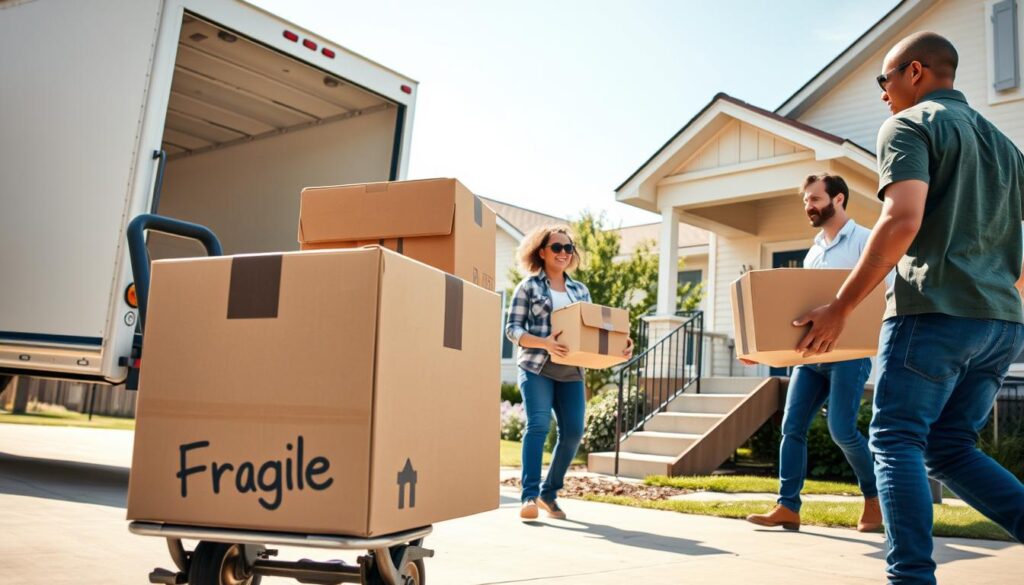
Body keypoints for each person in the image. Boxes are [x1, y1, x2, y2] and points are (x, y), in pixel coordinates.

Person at [793, 32, 1024, 584]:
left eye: (885, 80)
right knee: (948, 446)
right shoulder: (1008, 148)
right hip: (1001, 324)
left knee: (895, 438)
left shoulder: (910, 124)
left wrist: (842, 306)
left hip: (935, 313)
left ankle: (911, 578)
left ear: (915, 73)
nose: (882, 94)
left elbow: (901, 220)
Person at [745, 173, 891, 533]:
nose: (808, 206)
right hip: (810, 358)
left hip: (849, 355)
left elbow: (881, 292)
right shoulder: (813, 252)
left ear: (838, 199)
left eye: (814, 199)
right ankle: (787, 506)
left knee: (841, 429)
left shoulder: (864, 240)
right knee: (791, 427)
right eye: (806, 200)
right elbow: (800, 312)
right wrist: (762, 350)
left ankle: (875, 500)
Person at [505, 225, 632, 521]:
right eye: (557, 247)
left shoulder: (580, 290)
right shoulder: (528, 287)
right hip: (537, 366)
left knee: (574, 432)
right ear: (542, 252)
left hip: (571, 370)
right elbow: (512, 329)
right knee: (538, 424)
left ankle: (550, 493)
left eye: (568, 248)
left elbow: (593, 331)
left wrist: (620, 345)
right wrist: (545, 343)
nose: (564, 253)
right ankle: (530, 496)